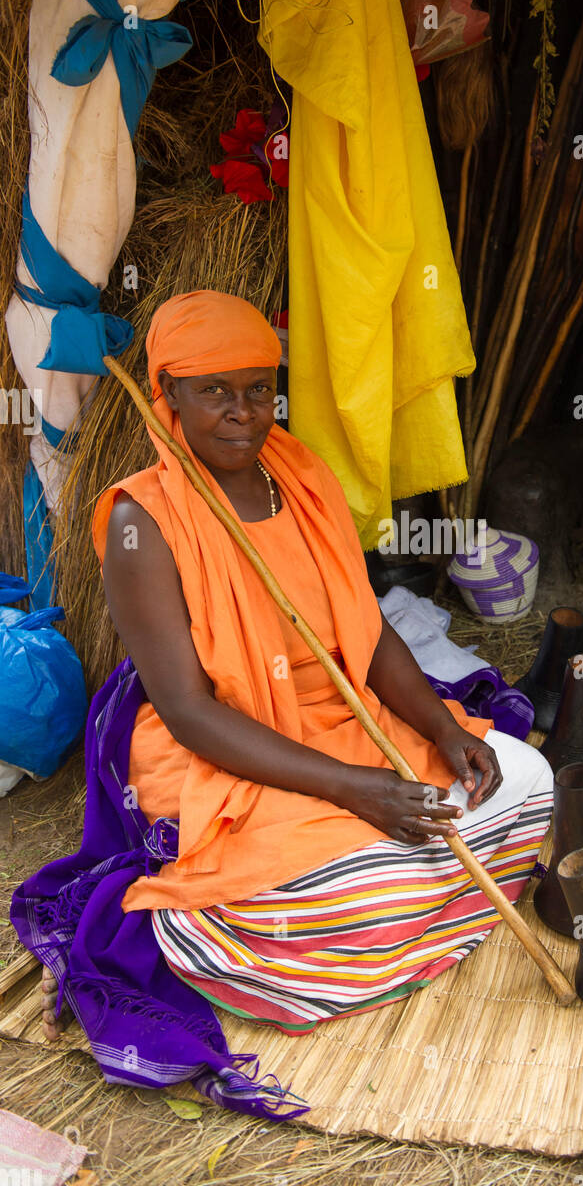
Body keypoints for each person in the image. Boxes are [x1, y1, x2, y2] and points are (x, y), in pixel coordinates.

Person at [39, 291, 553, 1047]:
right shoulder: (140, 522)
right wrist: (355, 790)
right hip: (232, 751)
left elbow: (365, 633)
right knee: (362, 887)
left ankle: (381, 908)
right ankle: (338, 915)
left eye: (256, 389)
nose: (243, 413)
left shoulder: (300, 475)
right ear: (168, 395)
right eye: (213, 391)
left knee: (526, 777)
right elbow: (188, 711)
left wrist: (443, 729)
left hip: (344, 718)